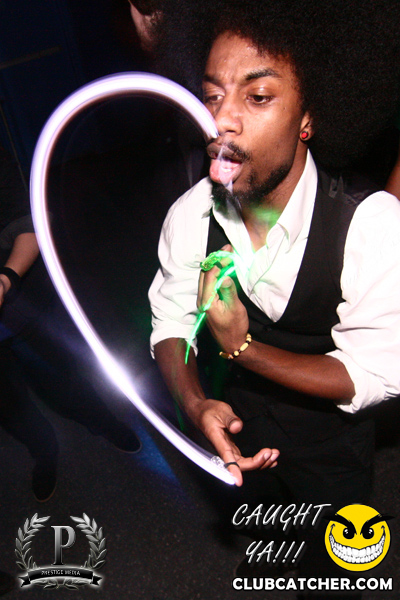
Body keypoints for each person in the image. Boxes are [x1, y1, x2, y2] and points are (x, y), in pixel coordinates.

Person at [149, 0, 400, 595]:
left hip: (330, 447)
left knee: (341, 557)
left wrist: (243, 350)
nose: (222, 121)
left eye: (257, 96)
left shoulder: (368, 226)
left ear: (307, 117)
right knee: (269, 535)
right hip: (243, 428)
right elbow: (170, 320)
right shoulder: (191, 215)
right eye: (213, 95)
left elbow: (373, 373)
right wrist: (196, 403)